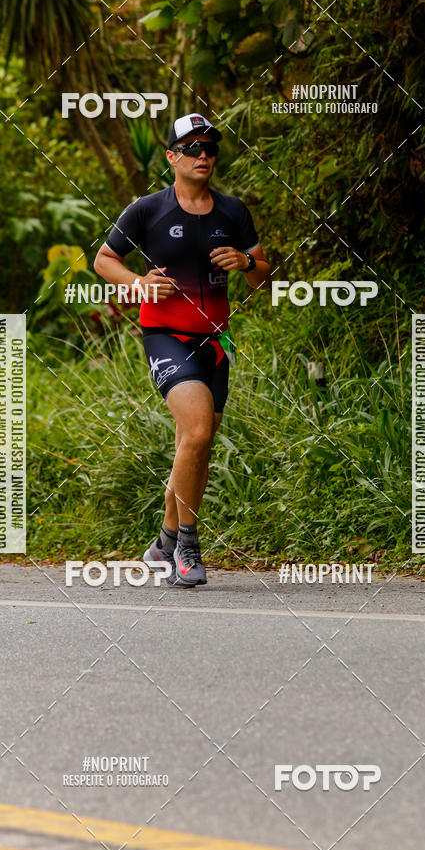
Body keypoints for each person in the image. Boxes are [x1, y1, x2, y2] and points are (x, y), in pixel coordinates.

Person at [94, 113, 270, 587]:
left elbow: (264, 278)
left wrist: (247, 260)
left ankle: (164, 542)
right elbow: (103, 259)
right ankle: (186, 548)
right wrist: (138, 284)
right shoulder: (148, 210)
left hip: (215, 342)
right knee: (195, 431)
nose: (203, 156)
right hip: (165, 337)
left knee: (196, 445)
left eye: (210, 148)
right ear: (172, 156)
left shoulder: (233, 212)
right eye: (192, 148)